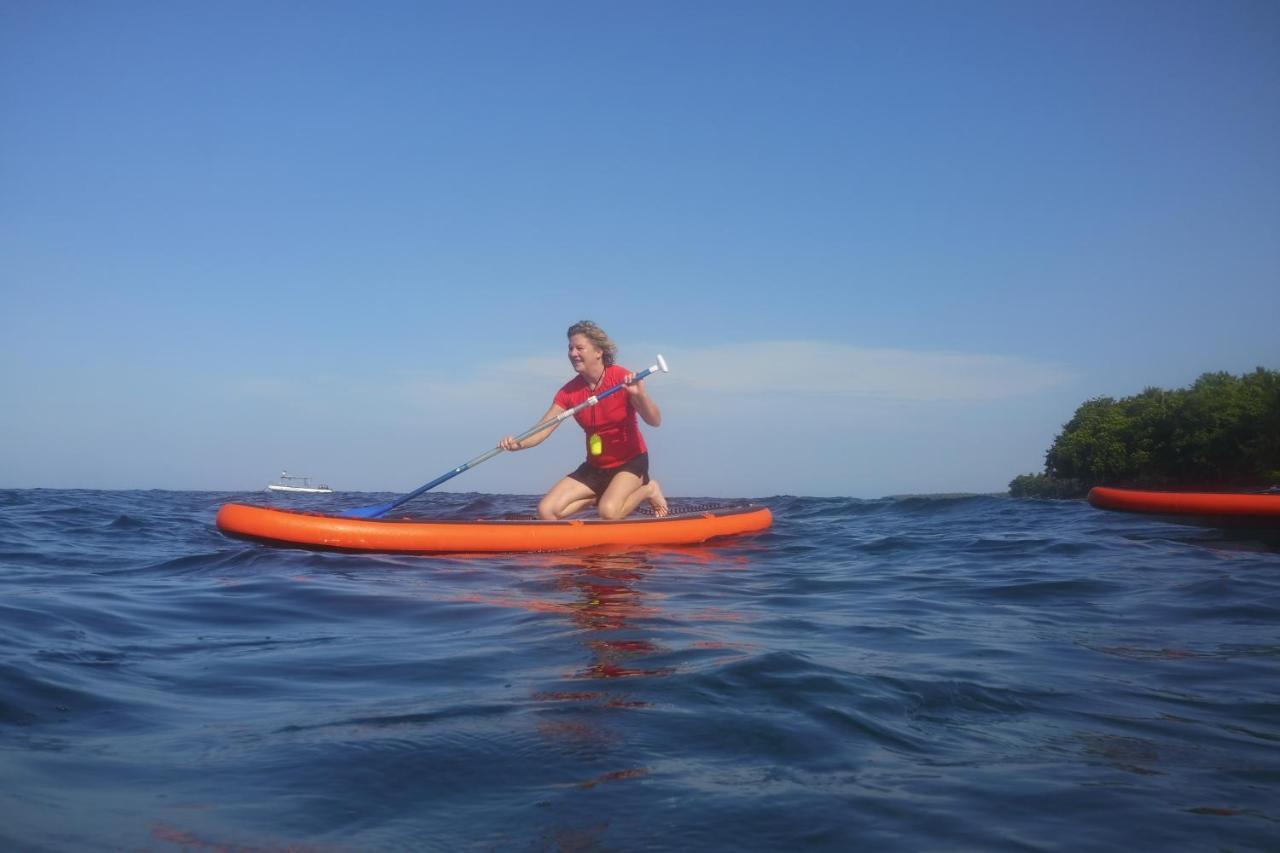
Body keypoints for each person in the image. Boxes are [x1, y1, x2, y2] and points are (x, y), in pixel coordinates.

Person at [501, 321, 668, 520]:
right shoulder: (568, 392)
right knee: (546, 510)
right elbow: (543, 429)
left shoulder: (622, 378)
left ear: (598, 352)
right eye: (570, 348)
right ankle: (596, 499)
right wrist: (517, 443)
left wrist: (640, 396)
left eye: (579, 348)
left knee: (608, 513)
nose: (573, 353)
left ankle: (649, 489)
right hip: (595, 467)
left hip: (630, 463)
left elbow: (655, 420)